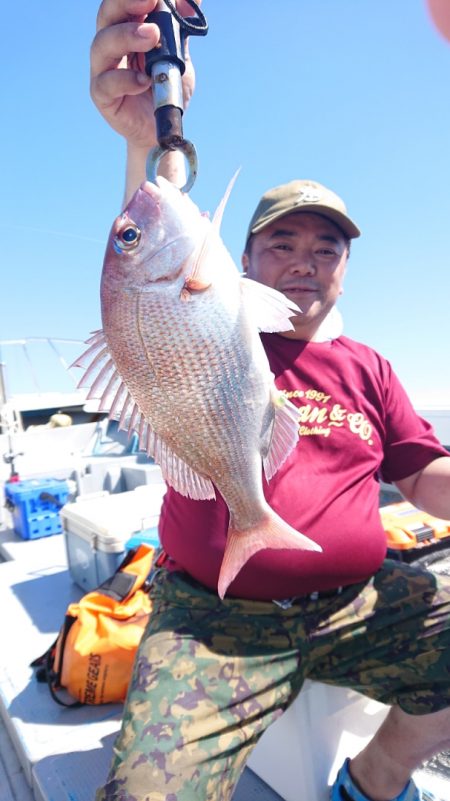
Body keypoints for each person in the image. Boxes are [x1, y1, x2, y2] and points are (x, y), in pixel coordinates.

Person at [90, 3, 450, 800]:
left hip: (357, 602)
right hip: (211, 623)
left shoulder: (369, 366)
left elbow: (426, 476)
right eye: (281, 244)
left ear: (345, 270)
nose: (304, 263)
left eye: (327, 249)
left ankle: (374, 776)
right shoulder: (222, 320)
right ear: (241, 257)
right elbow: (147, 267)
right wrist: (143, 145)